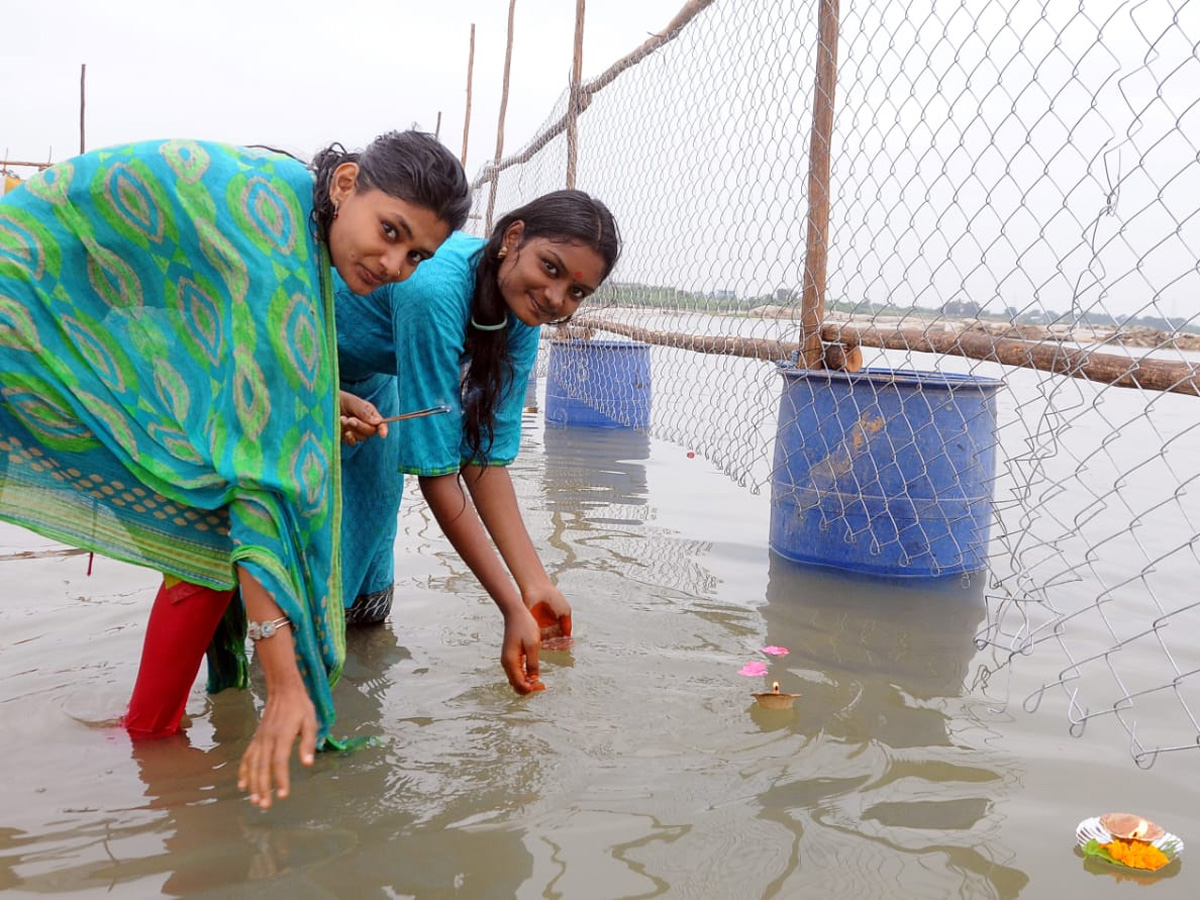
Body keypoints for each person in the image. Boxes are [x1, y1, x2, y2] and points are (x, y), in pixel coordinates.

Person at [0, 130, 471, 808]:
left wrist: (312, 401)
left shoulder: (292, 214)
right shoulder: (276, 251)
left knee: (207, 500)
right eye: (390, 231)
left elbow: (220, 344)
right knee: (213, 504)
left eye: (417, 254)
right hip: (27, 305)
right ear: (345, 186)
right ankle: (152, 743)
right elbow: (261, 481)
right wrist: (283, 684)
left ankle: (150, 736)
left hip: (68, 298)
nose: (396, 264)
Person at [336, 190, 621, 692]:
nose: (557, 299)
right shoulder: (434, 288)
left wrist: (535, 585)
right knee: (299, 566)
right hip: (303, 369)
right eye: (550, 268)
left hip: (376, 391)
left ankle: (355, 694)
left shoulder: (522, 316)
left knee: (364, 580)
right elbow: (438, 473)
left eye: (577, 294)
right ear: (513, 239)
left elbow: (483, 458)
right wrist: (510, 607)